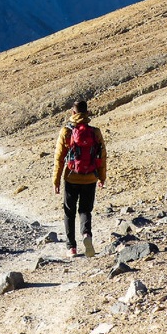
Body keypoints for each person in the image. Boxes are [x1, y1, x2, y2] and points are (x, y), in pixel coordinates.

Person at [53, 100, 107, 257]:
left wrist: (56, 181)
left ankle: (71, 248)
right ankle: (86, 235)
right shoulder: (95, 132)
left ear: (73, 113)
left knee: (69, 212)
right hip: (90, 178)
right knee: (85, 210)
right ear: (87, 113)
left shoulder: (66, 132)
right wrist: (102, 177)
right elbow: (102, 157)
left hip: (71, 178)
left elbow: (59, 158)